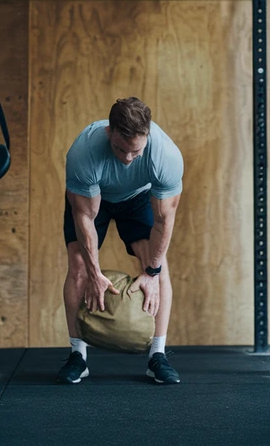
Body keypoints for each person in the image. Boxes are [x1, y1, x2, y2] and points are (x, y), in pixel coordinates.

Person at [57, 97, 184, 385]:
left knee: (159, 265)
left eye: (135, 151)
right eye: (120, 149)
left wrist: (150, 273)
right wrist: (94, 273)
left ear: (147, 135)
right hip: (93, 197)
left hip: (138, 197)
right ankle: (78, 355)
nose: (127, 158)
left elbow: (164, 220)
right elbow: (85, 218)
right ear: (109, 132)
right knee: (78, 264)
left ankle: (157, 355)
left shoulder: (165, 156)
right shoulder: (84, 152)